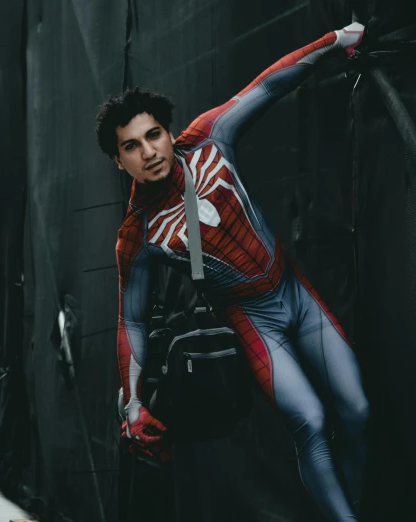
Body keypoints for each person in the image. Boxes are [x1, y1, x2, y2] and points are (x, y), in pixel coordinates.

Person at [96, 22, 369, 522]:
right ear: (119, 160)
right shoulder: (136, 236)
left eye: (153, 135)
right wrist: (133, 402)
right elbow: (130, 321)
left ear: (167, 131)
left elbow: (269, 83)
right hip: (251, 320)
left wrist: (335, 41)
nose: (149, 151)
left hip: (294, 292)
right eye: (131, 146)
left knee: (356, 411)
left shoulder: (208, 138)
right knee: (309, 420)